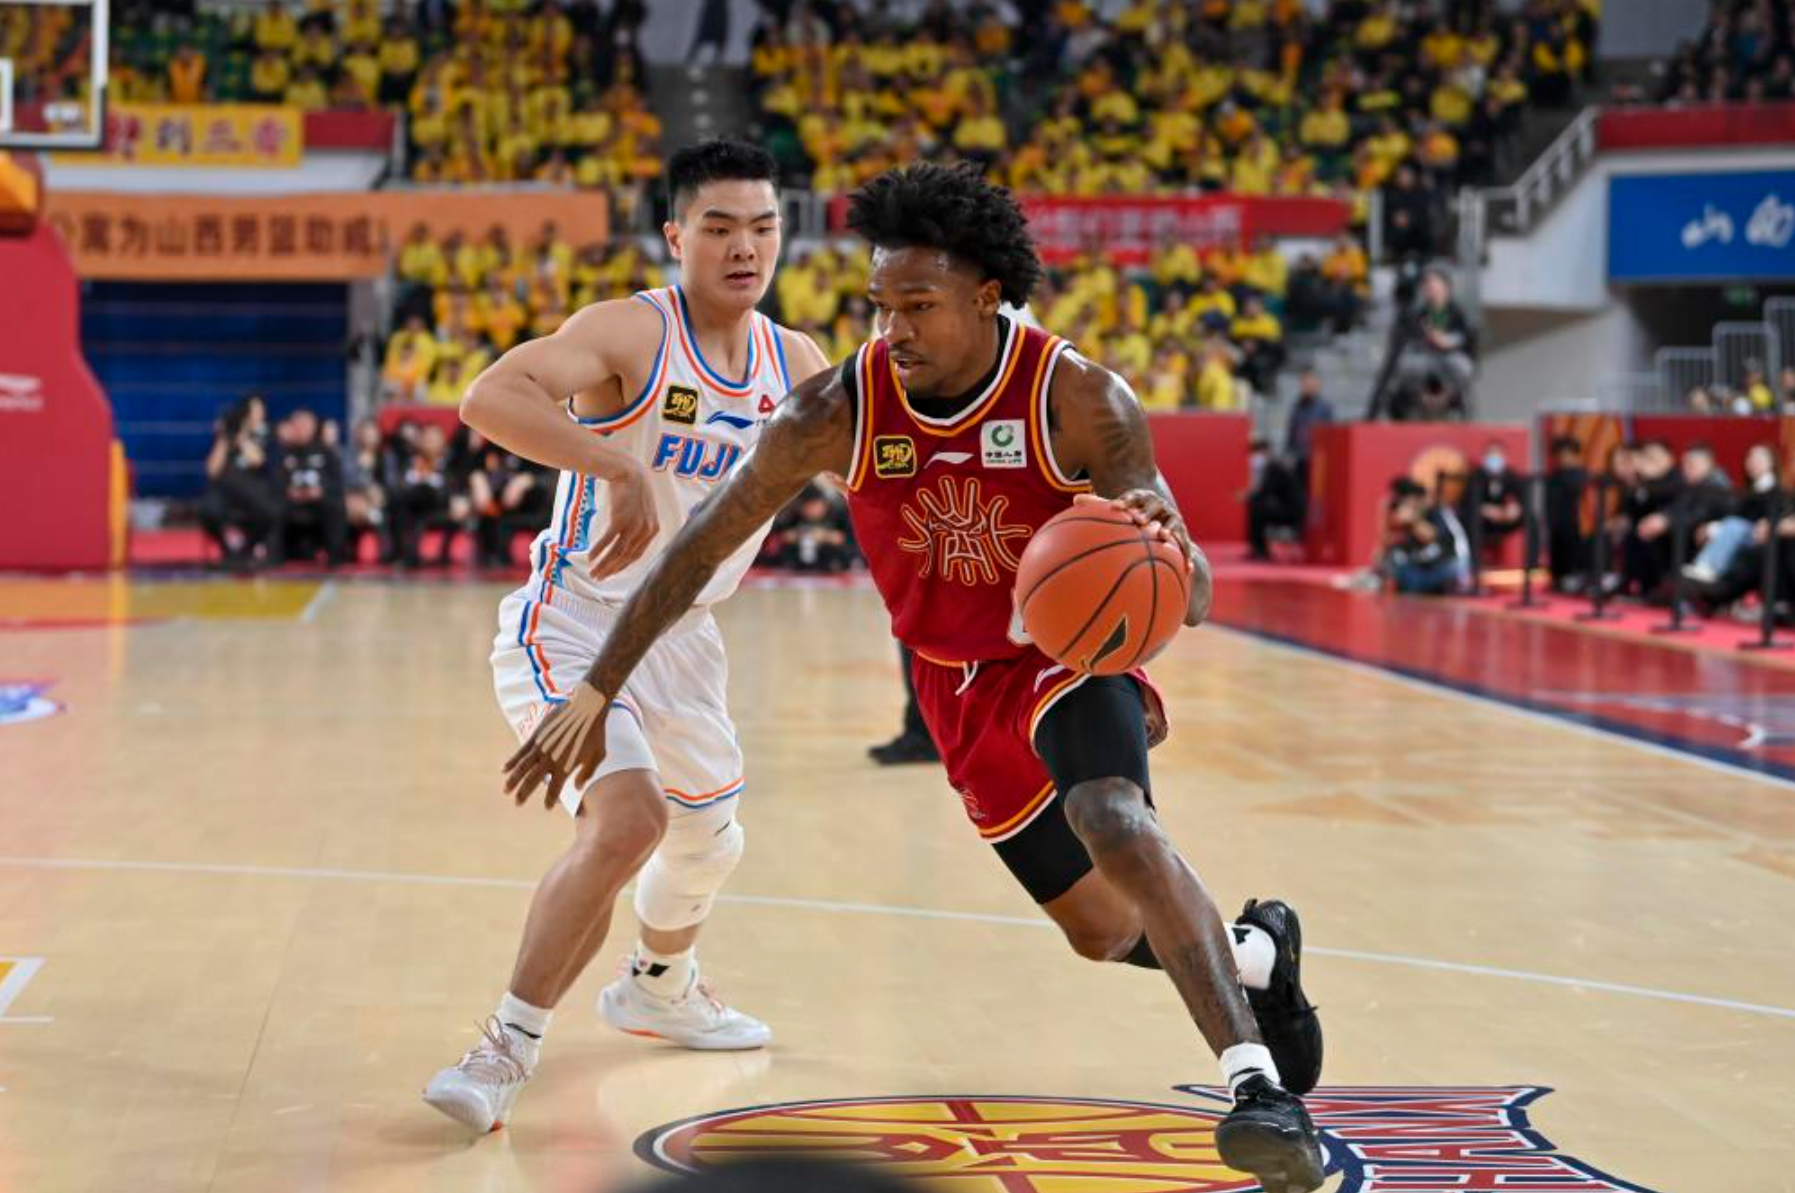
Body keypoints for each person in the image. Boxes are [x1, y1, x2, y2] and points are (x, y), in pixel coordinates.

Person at [500, 164, 1328, 1192]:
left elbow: (1191, 592)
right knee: (1101, 928)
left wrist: (1175, 553)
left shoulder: (1078, 398)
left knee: (1115, 815)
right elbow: (694, 548)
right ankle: (1254, 952)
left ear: (987, 295)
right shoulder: (837, 405)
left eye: (919, 306)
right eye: (880, 305)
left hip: (1062, 652)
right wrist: (598, 683)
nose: (894, 327)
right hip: (953, 681)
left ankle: (1256, 1091)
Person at [422, 140, 832, 1135]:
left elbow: (889, 477)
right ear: (675, 235)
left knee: (708, 840)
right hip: (571, 619)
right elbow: (491, 395)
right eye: (721, 226)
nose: (745, 247)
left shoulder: (800, 365)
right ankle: (503, 1046)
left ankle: (658, 984)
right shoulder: (630, 333)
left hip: (684, 636)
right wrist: (614, 461)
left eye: (763, 227)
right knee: (629, 819)